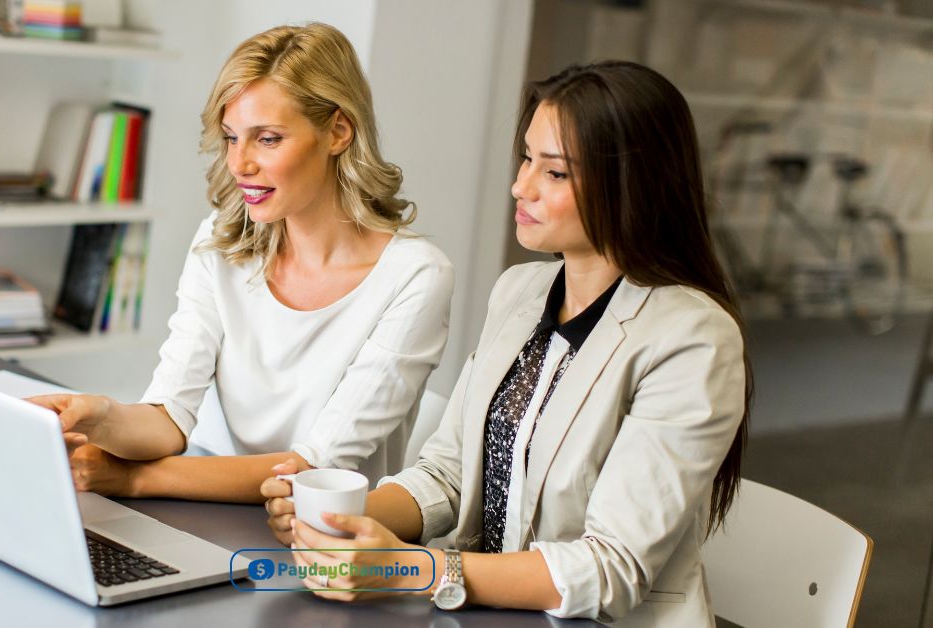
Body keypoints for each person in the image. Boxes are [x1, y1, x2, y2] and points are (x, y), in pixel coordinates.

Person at [262, 60, 752, 627]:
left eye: (556, 173)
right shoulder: (520, 291)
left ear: (633, 187)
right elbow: (446, 473)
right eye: (526, 158)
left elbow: (609, 568)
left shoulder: (694, 340)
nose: (521, 186)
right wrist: (342, 523)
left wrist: (409, 568)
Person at [29, 23, 454, 503]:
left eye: (267, 139)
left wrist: (136, 478)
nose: (239, 163)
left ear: (338, 130)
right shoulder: (221, 241)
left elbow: (312, 468)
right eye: (232, 138)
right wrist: (98, 416)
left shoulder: (415, 276)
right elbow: (168, 417)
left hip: (327, 545)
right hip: (209, 513)